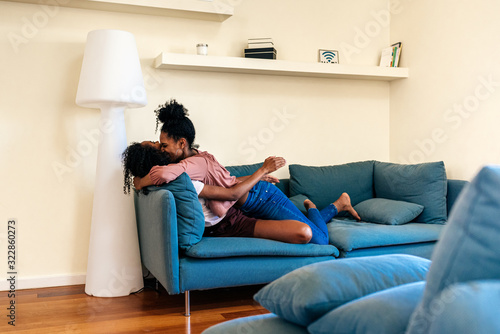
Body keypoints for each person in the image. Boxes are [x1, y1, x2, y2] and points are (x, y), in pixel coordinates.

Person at [133, 99, 360, 245]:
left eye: (164, 145)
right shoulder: (191, 165)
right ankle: (333, 207)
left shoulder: (191, 165)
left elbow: (163, 175)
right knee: (309, 234)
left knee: (319, 239)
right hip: (249, 200)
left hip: (260, 197)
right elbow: (226, 182)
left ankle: (326, 207)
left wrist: (141, 181)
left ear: (182, 143)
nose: (162, 151)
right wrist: (256, 176)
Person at [123, 142, 312, 244]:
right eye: (157, 145)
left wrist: (140, 181)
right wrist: (262, 170)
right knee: (304, 232)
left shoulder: (171, 177)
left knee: (305, 229)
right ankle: (314, 208)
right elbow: (230, 194)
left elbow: (227, 185)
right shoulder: (177, 180)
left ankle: (313, 208)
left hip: (236, 211)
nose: (160, 144)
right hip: (232, 219)